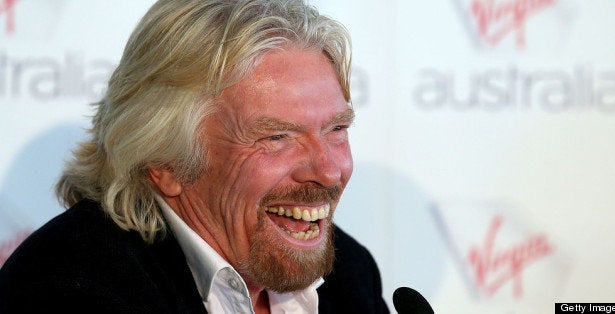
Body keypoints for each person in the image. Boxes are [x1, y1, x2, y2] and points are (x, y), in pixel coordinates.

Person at [0, 0, 389, 313]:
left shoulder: (350, 274)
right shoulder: (70, 289)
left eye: (336, 129)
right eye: (276, 137)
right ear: (165, 161)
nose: (328, 170)